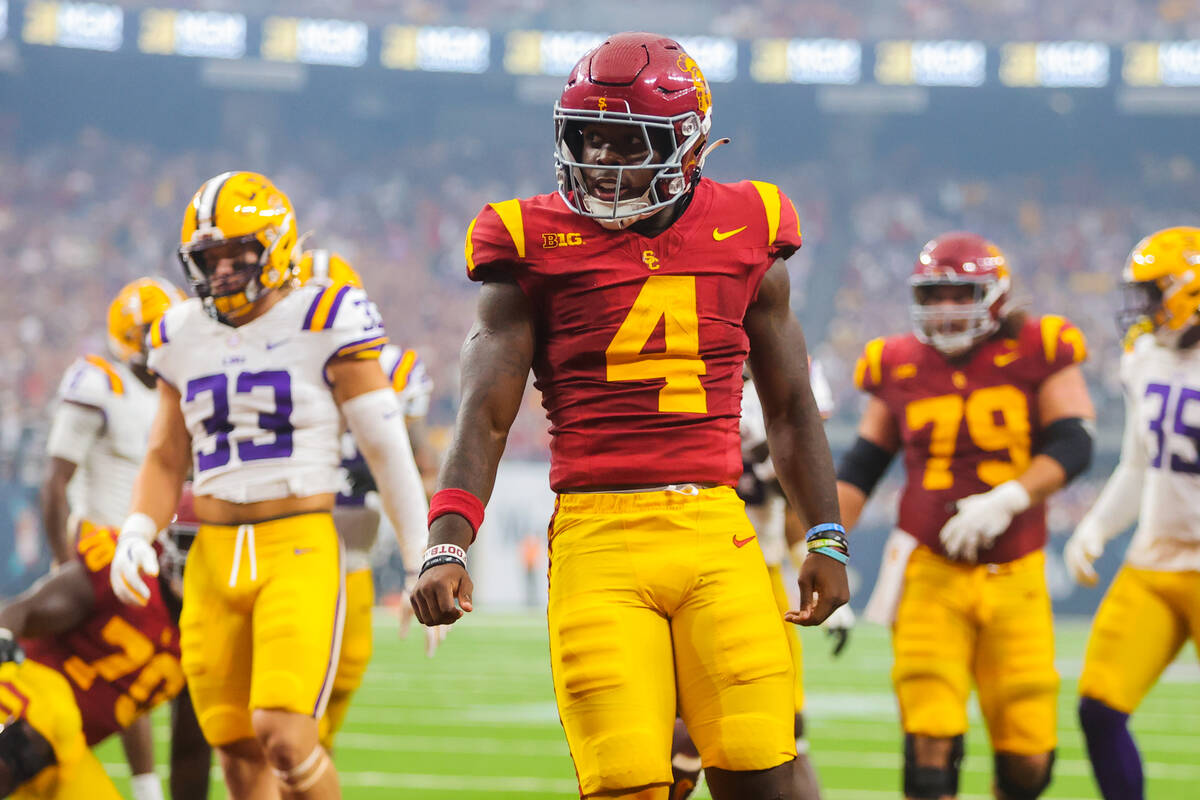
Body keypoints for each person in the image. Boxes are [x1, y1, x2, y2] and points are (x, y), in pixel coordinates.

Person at [411, 32, 848, 800]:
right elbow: (484, 412)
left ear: (688, 146)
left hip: (717, 527)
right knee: (624, 784)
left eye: (626, 142)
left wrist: (826, 531)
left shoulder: (749, 223)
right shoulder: (528, 241)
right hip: (596, 537)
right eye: (589, 138)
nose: (602, 160)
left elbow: (788, 404)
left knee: (763, 773)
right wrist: (446, 543)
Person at [108, 171, 428, 799]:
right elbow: (166, 454)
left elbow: (387, 451)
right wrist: (138, 528)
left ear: (276, 245)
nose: (222, 271)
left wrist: (422, 554)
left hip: (297, 544)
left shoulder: (326, 314)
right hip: (212, 554)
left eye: (237, 254)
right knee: (235, 748)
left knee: (284, 732)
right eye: (208, 258)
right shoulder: (178, 331)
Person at [836, 232, 1095, 800]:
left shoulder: (1038, 345)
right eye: (933, 295)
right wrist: (823, 551)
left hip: (1015, 570)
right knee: (928, 734)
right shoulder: (896, 360)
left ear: (995, 295)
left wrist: (1007, 499)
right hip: (930, 569)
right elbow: (861, 467)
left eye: (961, 294)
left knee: (1029, 754)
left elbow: (1075, 443)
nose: (946, 309)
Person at [1065, 227, 1200, 800]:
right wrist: (1096, 524)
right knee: (1099, 708)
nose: (1141, 311)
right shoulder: (1143, 358)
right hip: (1156, 560)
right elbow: (1140, 465)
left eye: (1151, 295)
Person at [669, 364, 845, 800]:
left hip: (758, 573)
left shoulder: (780, 384)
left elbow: (788, 506)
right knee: (674, 739)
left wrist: (820, 554)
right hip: (689, 558)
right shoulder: (702, 383)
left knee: (786, 730)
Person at [40, 276, 184, 800]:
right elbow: (55, 482)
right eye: (154, 331)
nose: (165, 339)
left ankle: (146, 788)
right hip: (99, 546)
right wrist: (62, 562)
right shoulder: (101, 382)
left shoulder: (176, 391)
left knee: (142, 673)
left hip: (152, 554)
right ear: (130, 335)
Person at [294, 248, 444, 752]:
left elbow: (418, 465)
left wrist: (422, 562)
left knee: (336, 693)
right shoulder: (264, 371)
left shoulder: (392, 372)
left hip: (353, 563)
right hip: (287, 553)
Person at [0, 495, 207, 799]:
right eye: (187, 546)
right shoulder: (125, 572)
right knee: (57, 716)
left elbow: (191, 753)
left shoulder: (208, 634)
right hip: (22, 693)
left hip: (67, 750)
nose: (192, 562)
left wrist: (146, 786)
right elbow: (22, 611)